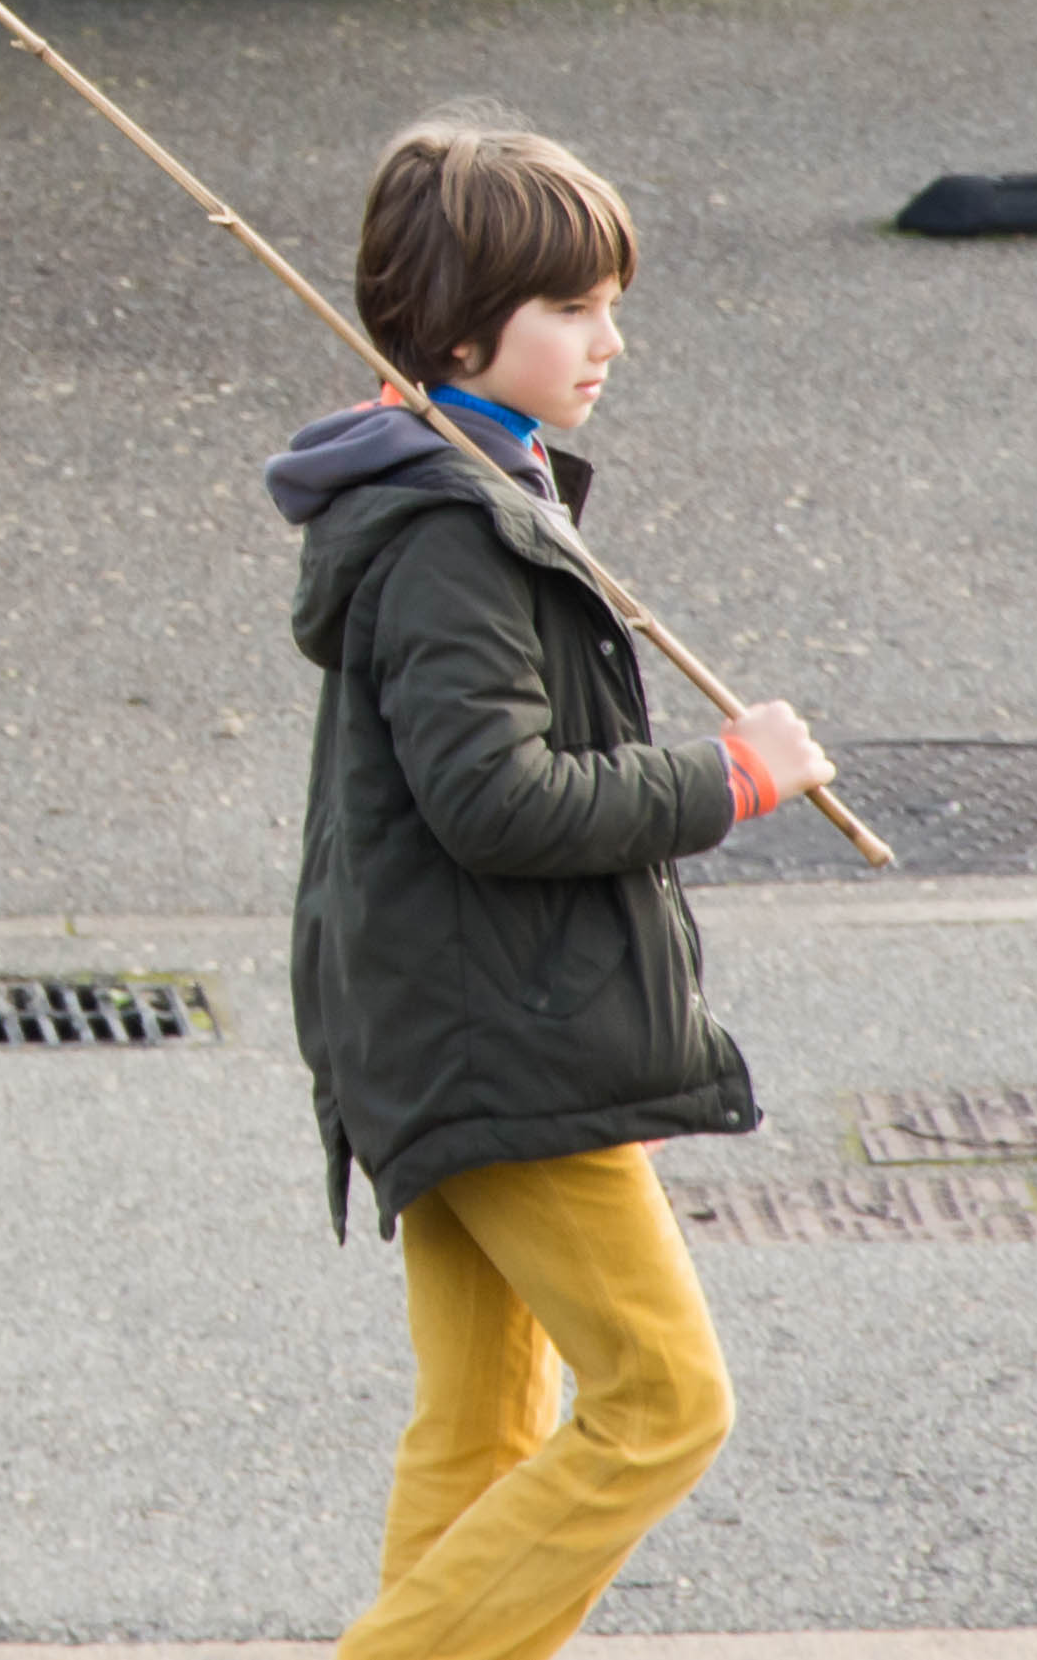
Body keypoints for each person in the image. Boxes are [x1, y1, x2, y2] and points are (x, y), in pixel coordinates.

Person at [266, 108, 839, 1660]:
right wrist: (734, 776)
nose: (609, 340)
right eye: (572, 308)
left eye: (608, 302)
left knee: (480, 1421)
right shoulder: (452, 532)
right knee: (661, 1401)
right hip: (493, 1033)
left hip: (434, 1016)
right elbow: (496, 802)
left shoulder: (458, 487)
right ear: (460, 330)